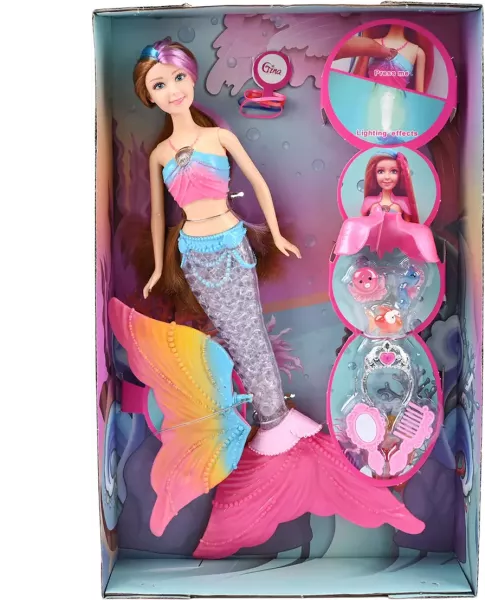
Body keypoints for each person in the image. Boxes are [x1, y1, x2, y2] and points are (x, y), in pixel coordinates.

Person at [110, 37, 426, 558]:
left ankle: (277, 426)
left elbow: (257, 183)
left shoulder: (218, 138)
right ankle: (274, 427)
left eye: (178, 79)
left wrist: (275, 235)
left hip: (231, 245)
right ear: (150, 96)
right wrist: (161, 270)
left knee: (251, 335)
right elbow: (162, 214)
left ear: (191, 77)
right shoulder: (161, 153)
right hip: (194, 255)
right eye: (159, 86)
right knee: (236, 339)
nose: (172, 91)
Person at [335, 151, 440, 263]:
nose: (387, 177)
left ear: (400, 174)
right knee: (350, 223)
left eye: (393, 171)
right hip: (373, 241)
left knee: (424, 231)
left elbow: (409, 223)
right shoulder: (369, 201)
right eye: (381, 171)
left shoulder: (402, 202)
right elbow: (362, 220)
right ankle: (351, 253)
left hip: (397, 239)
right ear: (374, 174)